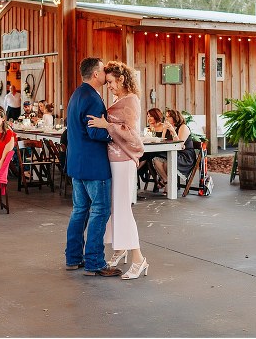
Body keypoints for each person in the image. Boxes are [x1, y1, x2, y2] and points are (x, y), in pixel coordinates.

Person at [87, 61, 148, 280]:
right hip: (113, 159)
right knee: (114, 207)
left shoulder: (130, 100)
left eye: (111, 82)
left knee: (122, 209)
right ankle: (119, 248)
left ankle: (139, 259)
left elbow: (132, 134)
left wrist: (107, 126)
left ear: (122, 80)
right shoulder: (119, 99)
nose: (109, 86)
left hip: (123, 161)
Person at [64, 57, 120, 277]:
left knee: (79, 211)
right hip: (94, 166)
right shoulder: (93, 100)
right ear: (96, 74)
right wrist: (115, 131)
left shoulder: (76, 95)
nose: (106, 72)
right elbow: (95, 131)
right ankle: (95, 262)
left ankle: (73, 257)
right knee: (100, 211)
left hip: (77, 163)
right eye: (104, 69)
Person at [151, 109, 197, 192]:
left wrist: (172, 131)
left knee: (167, 162)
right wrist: (164, 130)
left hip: (184, 156)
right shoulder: (169, 128)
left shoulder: (183, 127)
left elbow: (179, 145)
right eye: (166, 117)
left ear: (175, 118)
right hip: (173, 153)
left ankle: (168, 185)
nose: (166, 119)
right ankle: (167, 181)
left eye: (169, 117)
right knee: (155, 160)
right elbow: (163, 141)